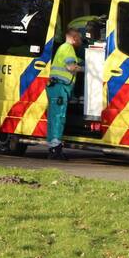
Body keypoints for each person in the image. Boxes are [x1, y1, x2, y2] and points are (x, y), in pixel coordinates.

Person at [46, 27, 83, 161]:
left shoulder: (62, 48)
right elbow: (70, 67)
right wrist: (85, 69)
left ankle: (52, 148)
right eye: (79, 38)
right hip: (60, 87)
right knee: (58, 117)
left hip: (55, 87)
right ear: (73, 38)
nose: (80, 41)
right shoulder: (68, 48)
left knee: (53, 117)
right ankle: (56, 150)